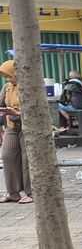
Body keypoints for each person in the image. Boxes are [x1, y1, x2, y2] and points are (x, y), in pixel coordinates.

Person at [0, 59, 32, 204]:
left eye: (10, 75)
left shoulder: (28, 86)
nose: (8, 79)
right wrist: (4, 112)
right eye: (5, 76)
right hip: (11, 126)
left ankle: (30, 193)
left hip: (28, 126)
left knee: (27, 160)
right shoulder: (7, 88)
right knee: (7, 156)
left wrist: (18, 113)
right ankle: (13, 193)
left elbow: (35, 109)